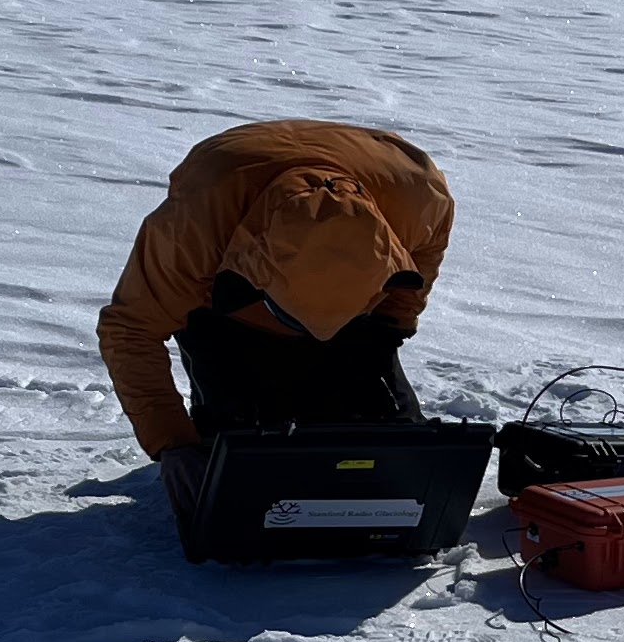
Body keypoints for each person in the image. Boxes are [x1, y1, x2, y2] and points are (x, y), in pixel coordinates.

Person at [96, 119, 456, 461]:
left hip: (357, 292)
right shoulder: (197, 228)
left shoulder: (416, 196)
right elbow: (132, 330)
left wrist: (391, 324)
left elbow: (427, 250)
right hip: (228, 313)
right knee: (240, 437)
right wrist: (175, 445)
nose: (317, 336)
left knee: (392, 430)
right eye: (295, 319)